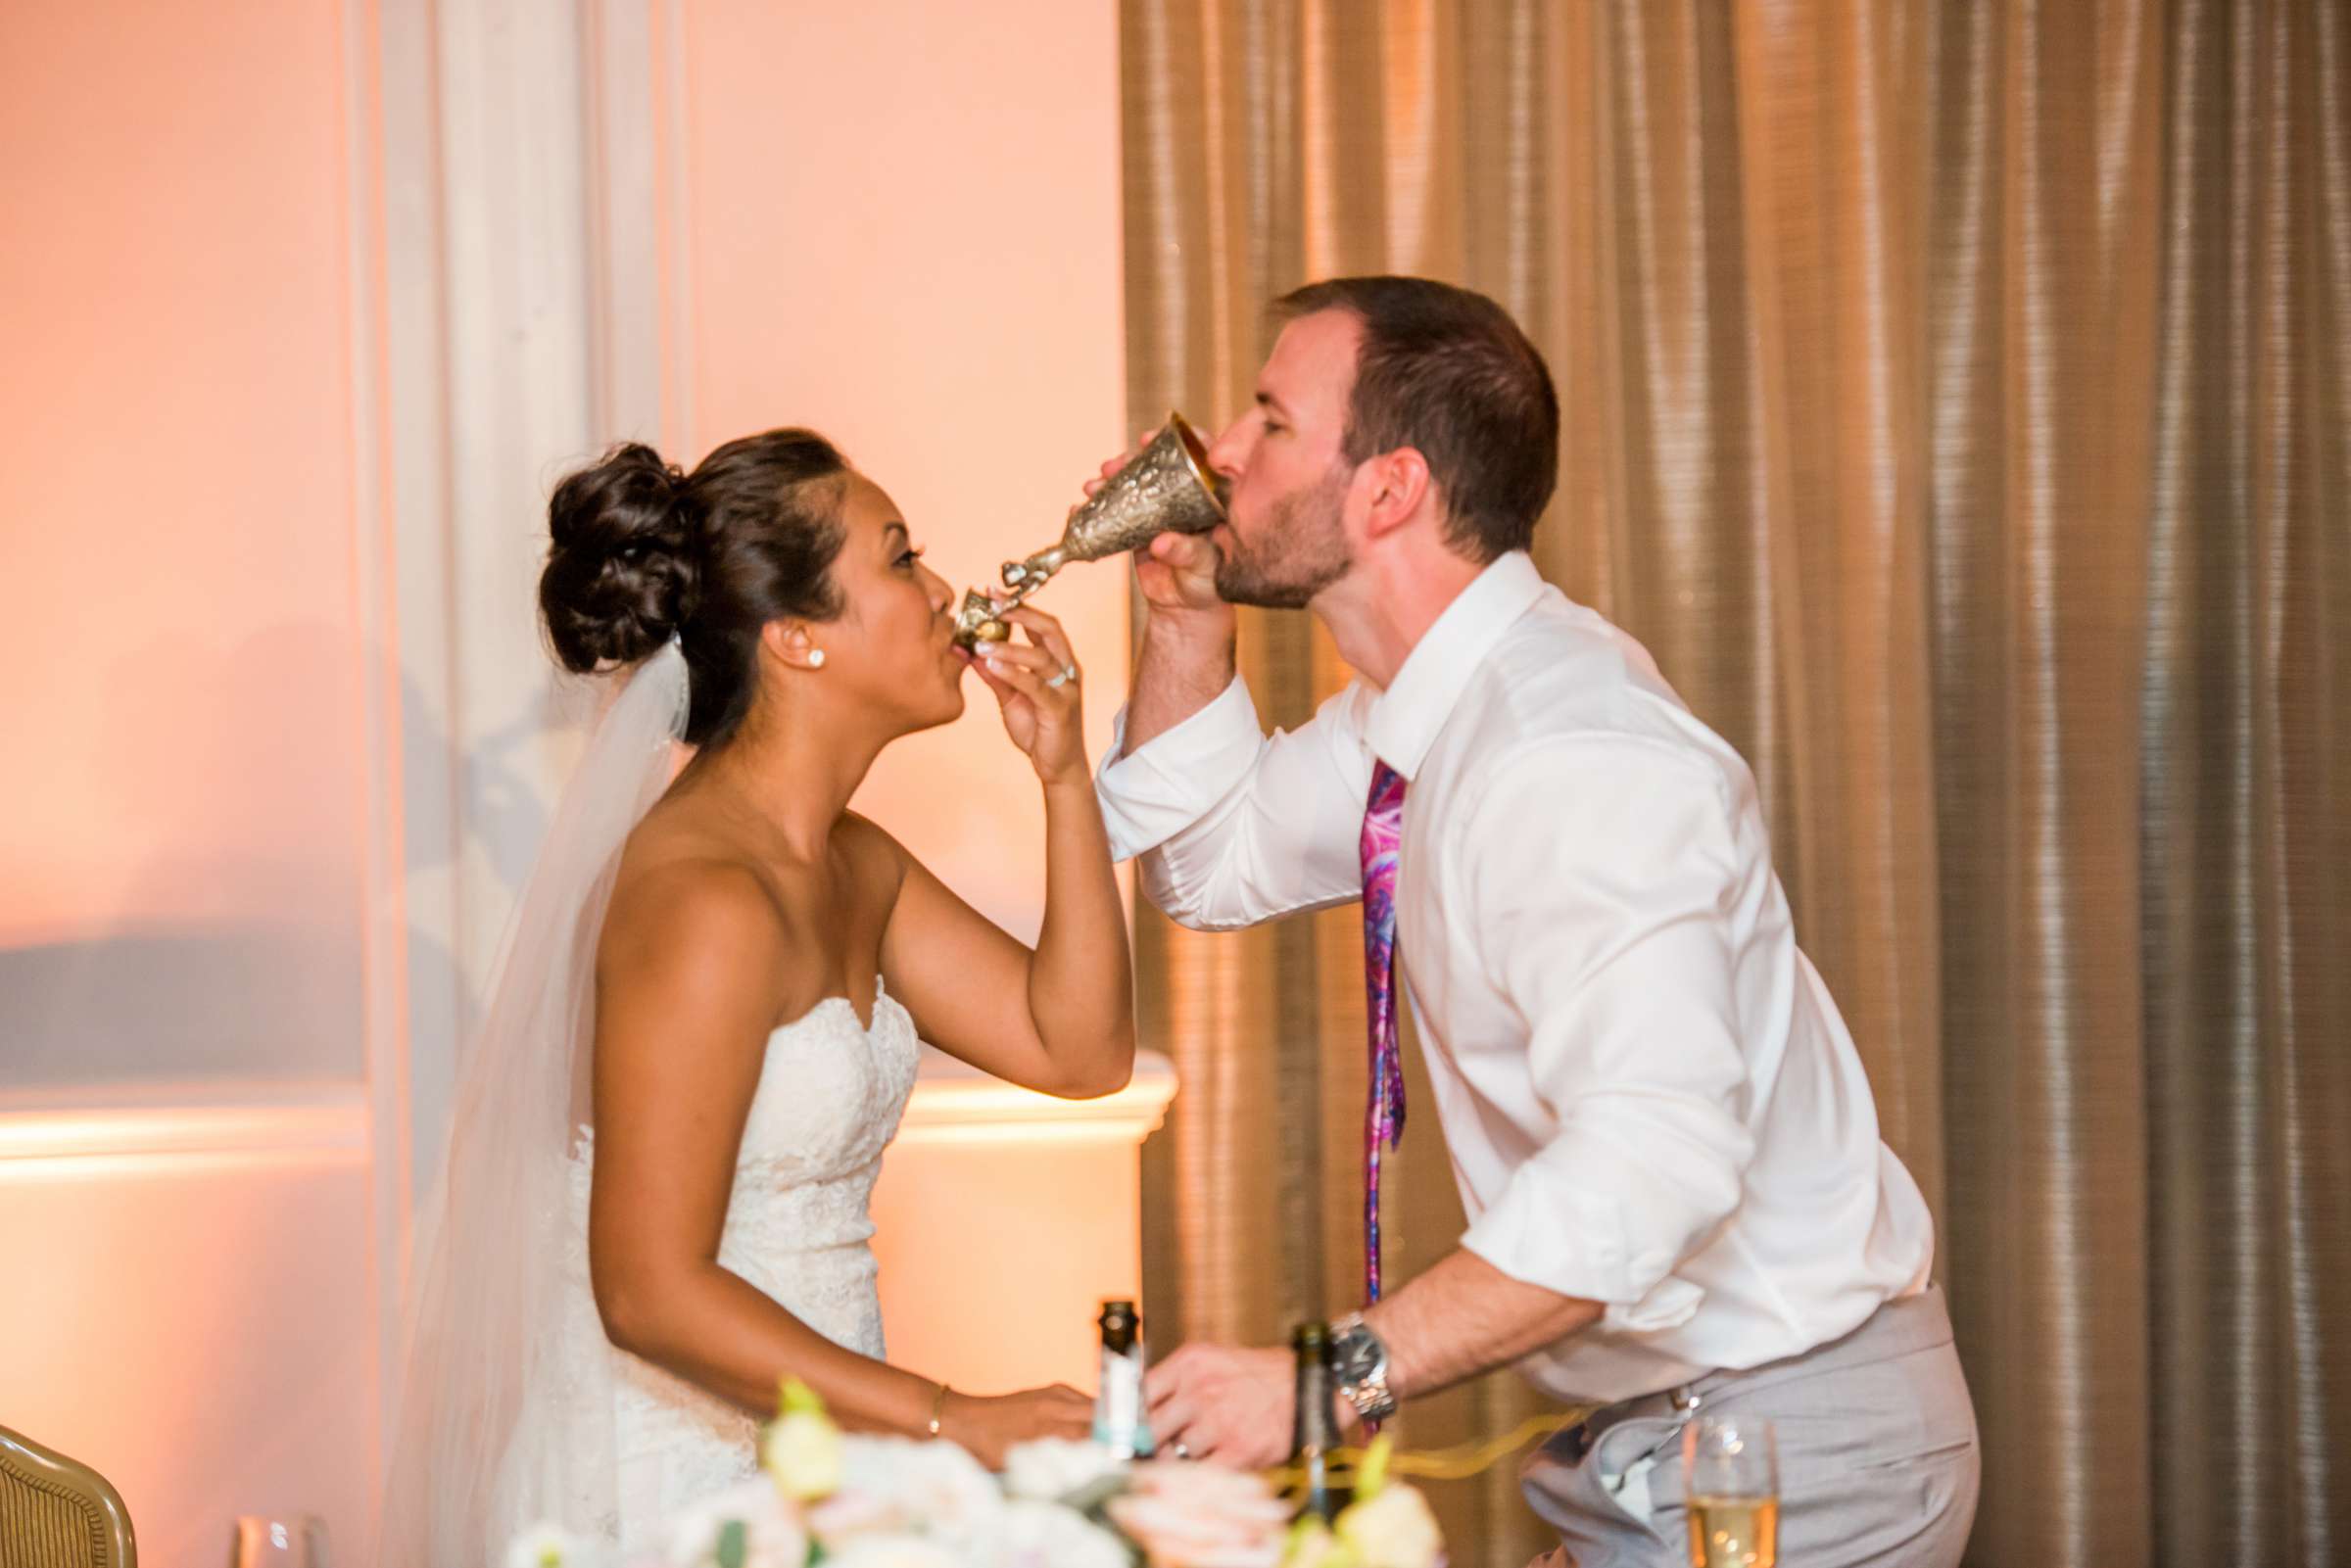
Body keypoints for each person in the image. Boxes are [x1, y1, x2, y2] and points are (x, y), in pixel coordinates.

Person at [1097, 277, 1979, 1566]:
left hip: (1778, 1446)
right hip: (1653, 1439)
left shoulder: (1573, 750)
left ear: (1389, 489)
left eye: (1272, 420)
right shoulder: (1420, 717)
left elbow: (1652, 1164)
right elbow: (1209, 868)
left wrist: (1320, 1382)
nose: (1219, 450)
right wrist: (1183, 616)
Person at [379, 429, 1135, 1562]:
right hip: (666, 1473)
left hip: (829, 1448)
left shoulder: (856, 862)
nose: (945, 592)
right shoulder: (706, 901)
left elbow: (1077, 1050)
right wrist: (952, 1416)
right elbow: (644, 1287)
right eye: (900, 560)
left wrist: (1066, 777)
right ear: (796, 639)